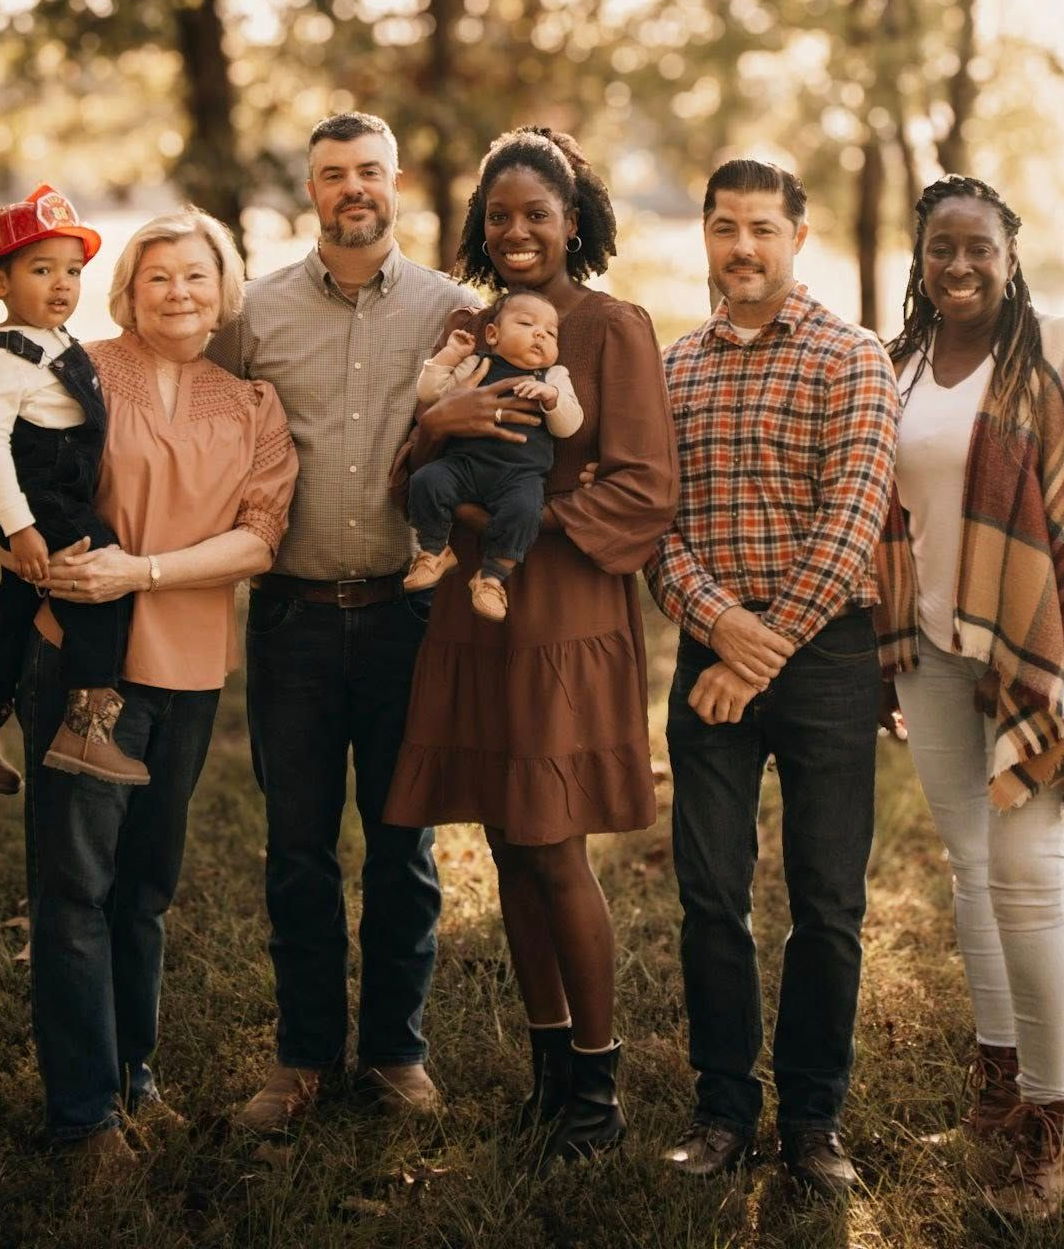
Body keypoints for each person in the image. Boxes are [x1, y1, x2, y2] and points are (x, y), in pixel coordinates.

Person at [0, 207, 298, 1170]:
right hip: (74, 658)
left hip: (188, 666)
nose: (179, 292)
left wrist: (140, 573)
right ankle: (83, 1114)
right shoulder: (74, 368)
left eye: (196, 276)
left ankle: (131, 1070)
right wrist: (34, 565)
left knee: (144, 888)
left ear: (224, 291)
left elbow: (260, 537)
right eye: (158, 278)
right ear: (127, 291)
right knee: (74, 887)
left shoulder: (252, 406)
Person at [875, 174, 1064, 1218]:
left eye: (978, 248)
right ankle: (999, 1088)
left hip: (1049, 657)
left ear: (1010, 253)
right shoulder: (900, 362)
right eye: (939, 250)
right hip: (938, 650)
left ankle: (1054, 1121)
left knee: (1025, 870)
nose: (958, 267)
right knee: (970, 868)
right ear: (919, 261)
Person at [383, 126, 678, 1167]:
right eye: (498, 214)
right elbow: (406, 465)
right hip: (473, 610)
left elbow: (644, 487)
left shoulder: (613, 327)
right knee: (507, 844)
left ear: (574, 223)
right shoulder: (470, 329)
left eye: (536, 214)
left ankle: (598, 1090)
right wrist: (437, 429)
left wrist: (526, 524)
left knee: (553, 846)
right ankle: (548, 1075)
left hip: (563, 618)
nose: (516, 231)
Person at [205, 113, 472, 1130]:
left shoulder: (454, 311)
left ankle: (398, 1053)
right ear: (311, 190)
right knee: (298, 846)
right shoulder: (256, 313)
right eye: (332, 175)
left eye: (368, 171)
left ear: (395, 180)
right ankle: (304, 1055)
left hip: (409, 620)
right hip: (292, 619)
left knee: (403, 844)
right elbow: (193, 416)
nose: (352, 188)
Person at [644, 159, 899, 1194]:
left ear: (799, 235)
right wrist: (722, 632)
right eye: (723, 227)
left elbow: (852, 526)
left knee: (828, 898)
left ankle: (812, 1118)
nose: (740, 247)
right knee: (711, 892)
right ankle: (722, 1108)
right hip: (713, 652)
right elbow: (654, 526)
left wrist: (760, 651)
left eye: (761, 227)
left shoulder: (853, 358)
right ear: (704, 236)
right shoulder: (672, 369)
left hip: (827, 657)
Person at [0, 184, 148, 793]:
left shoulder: (60, 342)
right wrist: (21, 524)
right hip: (37, 499)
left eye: (74, 270)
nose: (63, 284)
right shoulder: (2, 357)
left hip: (59, 494)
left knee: (18, 606)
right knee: (103, 574)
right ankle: (85, 727)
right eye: (42, 269)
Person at [404, 287, 583, 621]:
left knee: (525, 510)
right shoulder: (476, 363)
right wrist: (449, 356)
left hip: (519, 475)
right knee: (427, 480)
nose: (540, 333)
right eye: (527, 324)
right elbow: (429, 393)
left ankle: (491, 578)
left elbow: (568, 427)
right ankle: (433, 550)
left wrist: (551, 398)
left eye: (551, 332)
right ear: (493, 334)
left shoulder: (553, 377)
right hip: (464, 464)